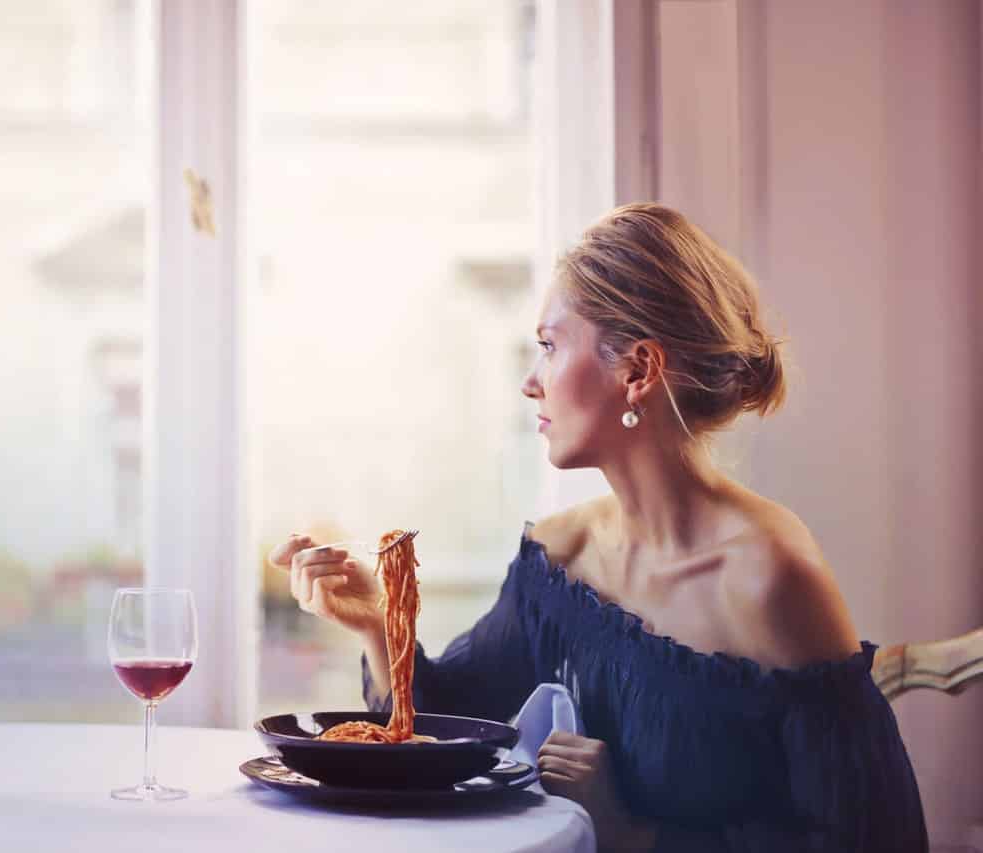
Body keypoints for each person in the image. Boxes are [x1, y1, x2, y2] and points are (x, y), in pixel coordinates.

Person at [268, 203, 927, 852]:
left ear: (637, 370)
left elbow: (874, 837)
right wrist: (378, 622)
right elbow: (450, 733)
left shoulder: (770, 576)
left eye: (550, 347)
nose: (531, 382)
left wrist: (636, 835)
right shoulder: (561, 557)